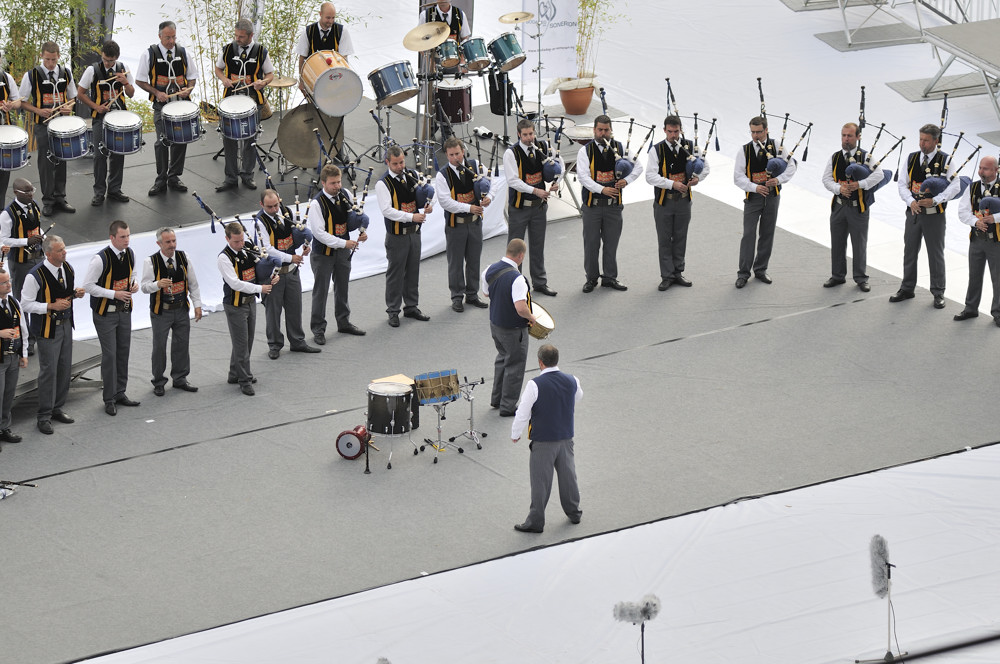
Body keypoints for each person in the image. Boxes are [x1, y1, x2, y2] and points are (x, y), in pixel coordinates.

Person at [510, 343, 583, 533]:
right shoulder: (572, 380)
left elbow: (523, 412)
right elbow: (577, 397)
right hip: (566, 438)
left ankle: (536, 521)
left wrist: (515, 434)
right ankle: (574, 512)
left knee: (540, 482)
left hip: (543, 441)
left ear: (540, 363)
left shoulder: (534, 385)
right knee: (569, 477)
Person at [890, 123, 960, 309]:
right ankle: (907, 288)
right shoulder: (912, 158)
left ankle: (938, 292)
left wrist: (936, 200)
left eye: (926, 140)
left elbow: (955, 186)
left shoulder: (946, 160)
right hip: (913, 212)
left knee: (935, 253)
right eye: (920, 139)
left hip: (934, 216)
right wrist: (910, 201)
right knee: (910, 251)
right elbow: (903, 184)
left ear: (936, 141)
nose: (922, 143)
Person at [21, 235, 84, 435]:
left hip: (65, 324)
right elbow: (25, 304)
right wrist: (49, 306)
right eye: (60, 250)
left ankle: (57, 407)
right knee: (49, 371)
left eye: (64, 248)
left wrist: (75, 293)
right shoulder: (35, 275)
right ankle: (44, 415)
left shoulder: (68, 269)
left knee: (65, 367)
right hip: (47, 329)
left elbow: (63, 293)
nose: (64, 252)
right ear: (48, 254)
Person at [577, 114, 642, 292]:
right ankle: (591, 278)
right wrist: (602, 189)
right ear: (594, 130)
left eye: (606, 130)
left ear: (611, 130)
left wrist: (627, 181)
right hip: (593, 206)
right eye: (600, 130)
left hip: (614, 206)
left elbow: (638, 166)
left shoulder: (620, 147)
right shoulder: (585, 151)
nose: (603, 133)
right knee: (591, 244)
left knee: (611, 243)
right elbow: (583, 177)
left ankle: (610, 277)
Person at [645, 115, 709, 290]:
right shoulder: (656, 150)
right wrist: (672, 184)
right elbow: (650, 176)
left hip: (683, 201)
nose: (673, 135)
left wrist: (698, 179)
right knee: (665, 238)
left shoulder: (690, 146)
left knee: (680, 236)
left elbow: (705, 167)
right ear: (664, 130)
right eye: (670, 131)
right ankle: (667, 275)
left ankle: (678, 272)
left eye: (676, 131)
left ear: (681, 130)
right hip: (664, 201)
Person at [83, 220, 140, 416]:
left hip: (124, 311)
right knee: (110, 355)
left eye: (128, 236)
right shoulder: (100, 259)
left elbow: (131, 274)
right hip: (105, 314)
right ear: (112, 238)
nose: (127, 240)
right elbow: (88, 286)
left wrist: (134, 284)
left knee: (123, 351)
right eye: (123, 237)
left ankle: (120, 392)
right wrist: (113, 294)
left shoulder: (130, 253)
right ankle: (109, 398)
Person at [136, 21, 199, 197]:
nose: (171, 41)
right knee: (162, 140)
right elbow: (140, 80)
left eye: (173, 37)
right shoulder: (149, 54)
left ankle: (174, 176)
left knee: (181, 139)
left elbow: (192, 76)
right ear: (159, 36)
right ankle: (161, 178)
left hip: (181, 105)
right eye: (167, 37)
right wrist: (157, 92)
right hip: (161, 106)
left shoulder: (183, 52)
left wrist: (189, 88)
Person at [732, 115, 797, 288]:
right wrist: (754, 187)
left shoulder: (777, 146)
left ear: (766, 130)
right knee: (748, 235)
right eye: (753, 132)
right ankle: (743, 273)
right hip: (753, 198)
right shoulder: (744, 150)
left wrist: (779, 180)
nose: (755, 136)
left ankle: (760, 269)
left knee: (767, 233)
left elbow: (792, 166)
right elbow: (738, 177)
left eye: (759, 132)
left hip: (772, 197)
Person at [256, 189, 320, 357]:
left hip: (291, 272)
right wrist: (291, 257)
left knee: (294, 308)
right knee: (273, 311)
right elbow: (267, 249)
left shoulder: (286, 211)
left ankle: (297, 341)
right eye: (269, 207)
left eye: (276, 205)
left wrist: (305, 245)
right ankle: (274, 345)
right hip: (273, 275)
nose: (274, 209)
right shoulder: (259, 222)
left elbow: (295, 233)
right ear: (262, 205)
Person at [821, 123, 882, 292]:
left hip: (858, 208)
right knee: (837, 242)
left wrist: (859, 184)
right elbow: (826, 180)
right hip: (839, 207)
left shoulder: (867, 157)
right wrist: (839, 189)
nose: (846, 139)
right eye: (843, 136)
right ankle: (837, 275)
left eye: (849, 136)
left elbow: (880, 175)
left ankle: (861, 277)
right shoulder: (835, 157)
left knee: (859, 243)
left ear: (858, 137)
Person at [140, 227, 202, 396]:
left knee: (182, 344)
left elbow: (193, 283)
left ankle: (180, 378)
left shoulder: (184, 257)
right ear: (159, 243)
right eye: (168, 242)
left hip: (181, 309)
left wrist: (197, 305)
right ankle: (158, 381)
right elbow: (144, 287)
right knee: (159, 346)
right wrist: (156, 284)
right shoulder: (150, 261)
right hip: (161, 311)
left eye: (174, 241)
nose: (172, 245)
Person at [214, 18, 274, 192]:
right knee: (229, 140)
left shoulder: (261, 51)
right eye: (236, 35)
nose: (237, 39)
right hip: (230, 101)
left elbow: (270, 74)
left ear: (250, 35)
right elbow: (218, 68)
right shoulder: (227, 49)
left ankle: (247, 175)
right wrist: (224, 79)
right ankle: (230, 178)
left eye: (241, 36)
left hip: (253, 101)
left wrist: (263, 82)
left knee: (250, 140)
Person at [308, 164, 366, 341]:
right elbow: (320, 234)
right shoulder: (317, 204)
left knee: (343, 287)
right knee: (321, 290)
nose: (337, 186)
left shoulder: (346, 194)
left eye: (339, 182)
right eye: (333, 183)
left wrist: (362, 230)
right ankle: (318, 329)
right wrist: (345, 243)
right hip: (323, 254)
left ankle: (344, 322)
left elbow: (356, 215)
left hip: (342, 252)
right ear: (323, 183)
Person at [218, 222, 277, 396]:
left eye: (242, 240)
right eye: (236, 241)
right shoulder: (224, 258)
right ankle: (245, 379)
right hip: (235, 304)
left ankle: (234, 373)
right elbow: (235, 283)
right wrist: (261, 288)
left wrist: (272, 277)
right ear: (227, 239)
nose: (241, 244)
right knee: (242, 343)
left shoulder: (248, 247)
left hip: (250, 301)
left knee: (247, 340)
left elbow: (260, 269)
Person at [18, 41, 76, 217]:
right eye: (47, 59)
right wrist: (38, 110)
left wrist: (69, 108)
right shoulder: (32, 75)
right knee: (45, 163)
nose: (50, 63)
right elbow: (21, 101)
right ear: (42, 56)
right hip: (42, 125)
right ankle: (48, 200)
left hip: (62, 124)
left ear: (59, 56)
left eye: (53, 59)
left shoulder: (66, 72)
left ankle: (61, 198)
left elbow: (73, 98)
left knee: (62, 160)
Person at [377, 145, 432, 327]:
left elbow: (427, 192)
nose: (400, 166)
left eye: (401, 162)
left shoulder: (413, 175)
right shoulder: (382, 184)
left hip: (414, 233)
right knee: (396, 274)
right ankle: (393, 310)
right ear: (387, 162)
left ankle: (411, 306)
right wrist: (411, 216)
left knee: (413, 270)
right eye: (395, 164)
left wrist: (428, 205)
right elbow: (387, 211)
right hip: (397, 236)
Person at [504, 119, 559, 297]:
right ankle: (514, 284)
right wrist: (535, 190)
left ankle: (540, 282)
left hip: (538, 208)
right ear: (519, 134)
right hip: (519, 208)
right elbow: (513, 181)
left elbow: (560, 163)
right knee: (515, 248)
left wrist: (557, 181)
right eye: (525, 135)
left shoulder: (542, 146)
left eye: (531, 134)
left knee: (537, 245)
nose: (529, 138)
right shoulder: (511, 153)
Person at [77, 40, 135, 207]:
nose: (107, 63)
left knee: (118, 153)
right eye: (104, 59)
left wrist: (125, 82)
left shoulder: (123, 68)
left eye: (110, 60)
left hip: (120, 118)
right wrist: (96, 106)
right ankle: (99, 192)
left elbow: (131, 94)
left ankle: (115, 189)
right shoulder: (92, 70)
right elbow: (80, 93)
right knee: (99, 155)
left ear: (116, 58)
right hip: (100, 117)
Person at [435, 137, 490, 312]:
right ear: (447, 155)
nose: (456, 158)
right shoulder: (442, 175)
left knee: (474, 260)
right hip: (455, 226)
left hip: (474, 224)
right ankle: (457, 296)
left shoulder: (474, 166)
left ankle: (472, 294)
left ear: (463, 152)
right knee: (456, 262)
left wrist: (490, 197)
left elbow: (491, 182)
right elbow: (446, 202)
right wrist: (470, 207)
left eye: (458, 153)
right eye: (451, 155)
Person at [483, 238, 536, 416]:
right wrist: (531, 317)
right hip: (513, 329)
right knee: (515, 366)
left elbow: (485, 293)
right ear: (521, 256)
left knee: (502, 359)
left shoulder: (489, 269)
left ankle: (496, 399)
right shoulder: (517, 278)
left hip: (495, 324)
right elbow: (521, 307)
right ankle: (508, 406)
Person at [954, 156, 1000, 325]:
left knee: (998, 278)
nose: (981, 172)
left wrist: (994, 218)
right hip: (976, 240)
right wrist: (976, 222)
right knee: (974, 276)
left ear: (996, 170)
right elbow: (963, 211)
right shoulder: (973, 187)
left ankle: (998, 312)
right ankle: (970, 308)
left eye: (986, 169)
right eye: (980, 168)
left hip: (997, 241)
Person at [0, 269, 28, 447]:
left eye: (8, 281)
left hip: (12, 356)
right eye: (4, 283)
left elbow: (23, 328)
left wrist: (23, 353)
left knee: (8, 394)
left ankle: (4, 427)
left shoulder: (14, 302)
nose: (9, 284)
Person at [296, 2, 355, 81]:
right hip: (314, 79)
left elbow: (344, 59)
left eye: (333, 18)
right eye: (328, 18)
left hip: (336, 78)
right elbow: (302, 57)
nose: (331, 21)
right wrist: (302, 81)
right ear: (320, 14)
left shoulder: (342, 31)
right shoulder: (308, 31)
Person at [0, 61, 21, 205]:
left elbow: (18, 101)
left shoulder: (7, 78)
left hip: (4, 131)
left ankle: (0, 206)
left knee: (3, 171)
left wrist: (11, 105)